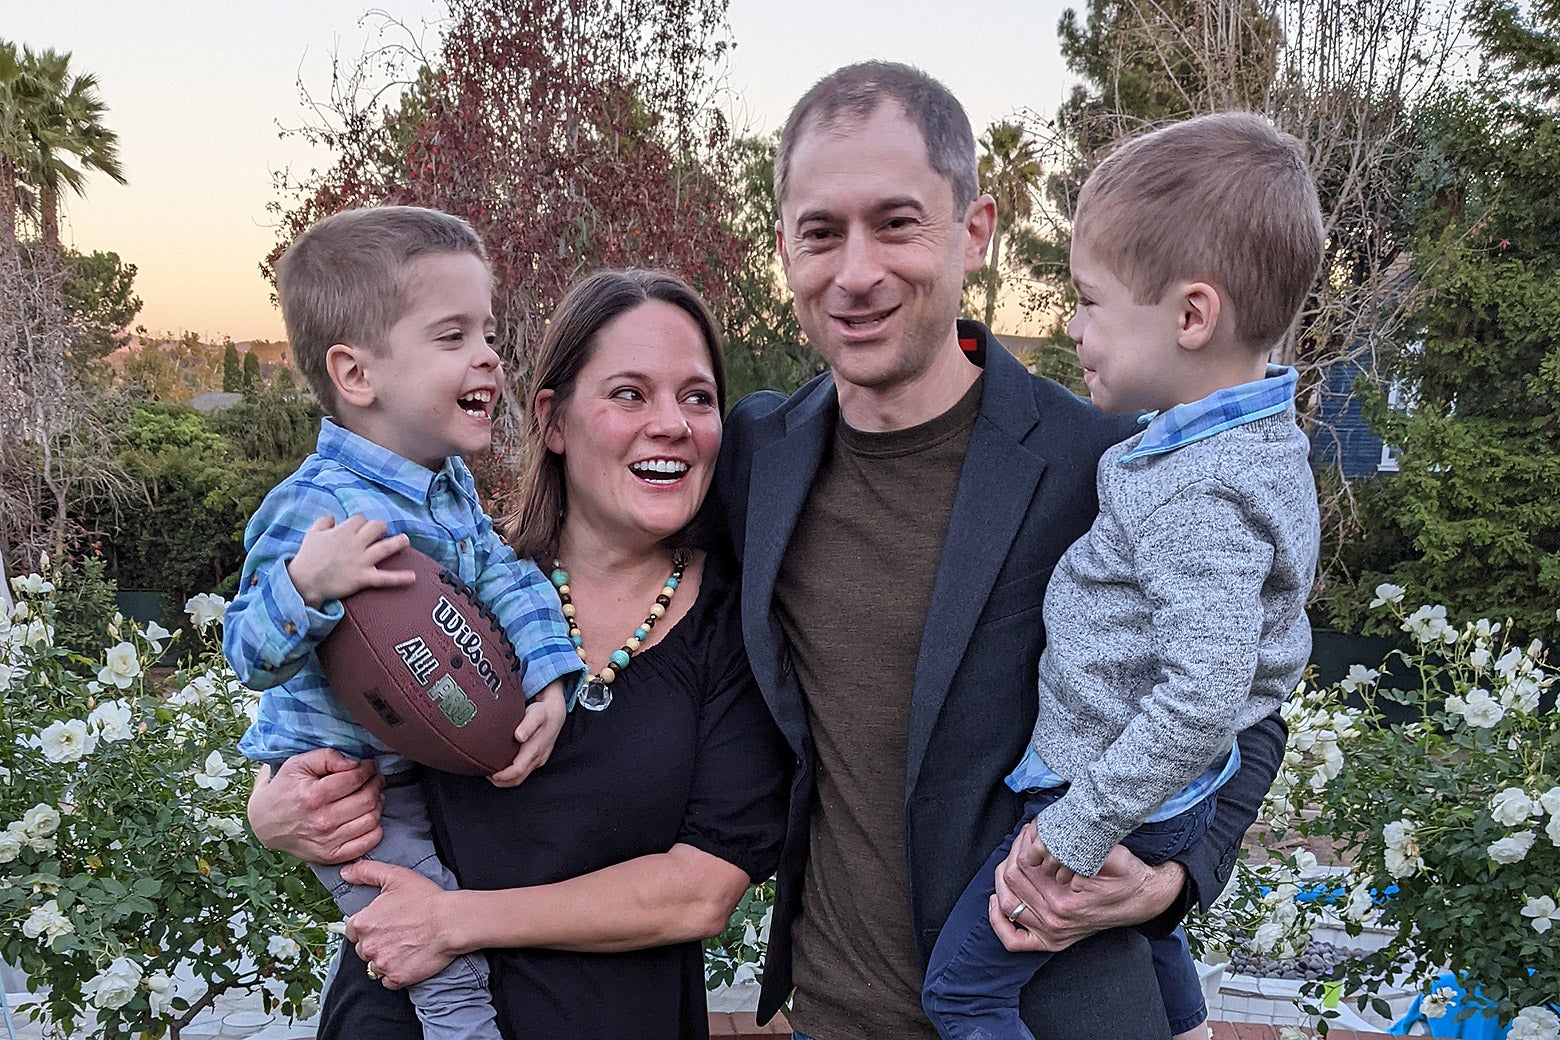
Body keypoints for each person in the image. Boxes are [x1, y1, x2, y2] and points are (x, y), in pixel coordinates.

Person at [712, 63, 1289, 1040]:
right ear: (784, 249)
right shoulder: (756, 454)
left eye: (897, 223)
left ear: (974, 231)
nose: (855, 271)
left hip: (1057, 1009)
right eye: (820, 231)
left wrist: (1170, 879)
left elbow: (1252, 704)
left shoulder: (1106, 464)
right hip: (836, 1014)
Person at [247, 268, 790, 1040]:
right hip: (401, 1017)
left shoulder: (743, 631)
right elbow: (320, 710)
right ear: (554, 420)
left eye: (697, 397)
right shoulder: (446, 588)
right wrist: (274, 806)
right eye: (629, 393)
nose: (670, 423)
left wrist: (455, 923)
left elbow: (698, 890)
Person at [920, 112, 1324, 1040]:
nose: (1071, 325)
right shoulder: (1252, 448)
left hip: (1103, 800)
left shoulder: (1199, 495)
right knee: (1152, 948)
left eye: (1091, 301)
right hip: (1152, 806)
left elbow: (1207, 691)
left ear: (1191, 314)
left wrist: (1076, 827)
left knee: (962, 992)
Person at [224, 205, 583, 1040]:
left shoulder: (447, 486)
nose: (489, 355)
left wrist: (553, 676)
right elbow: (248, 653)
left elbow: (507, 576)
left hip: (419, 757)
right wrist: (307, 586)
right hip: (345, 787)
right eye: (452, 336)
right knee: (439, 953)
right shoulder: (317, 508)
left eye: (488, 333)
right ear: (356, 375)